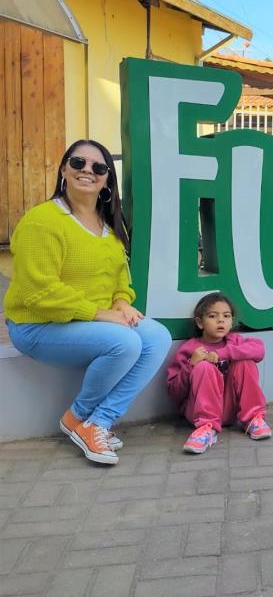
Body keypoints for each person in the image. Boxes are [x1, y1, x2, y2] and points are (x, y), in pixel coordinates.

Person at [4, 139, 172, 465]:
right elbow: (37, 292)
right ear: (64, 169)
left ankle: (98, 422)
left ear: (107, 179)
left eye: (98, 167)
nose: (87, 171)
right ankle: (77, 416)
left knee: (156, 337)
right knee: (124, 342)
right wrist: (99, 313)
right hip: (37, 324)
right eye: (78, 163)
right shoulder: (43, 221)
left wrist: (122, 302)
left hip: (85, 321)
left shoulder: (108, 225)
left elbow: (120, 277)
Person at [167, 292, 271, 454]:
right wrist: (191, 365)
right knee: (204, 367)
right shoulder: (190, 348)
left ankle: (253, 419)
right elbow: (174, 392)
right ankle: (206, 430)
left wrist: (225, 354)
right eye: (213, 316)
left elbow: (259, 350)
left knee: (245, 361)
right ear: (200, 323)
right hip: (200, 413)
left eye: (226, 316)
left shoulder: (235, 341)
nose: (221, 320)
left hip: (232, 410)